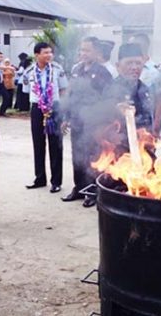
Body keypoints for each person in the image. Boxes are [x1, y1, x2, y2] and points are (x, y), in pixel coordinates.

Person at [61, 36, 114, 207]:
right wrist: (66, 117)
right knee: (77, 155)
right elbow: (71, 95)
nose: (83, 53)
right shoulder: (77, 69)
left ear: (96, 52)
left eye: (87, 50)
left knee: (92, 156)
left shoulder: (103, 72)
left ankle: (92, 191)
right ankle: (79, 187)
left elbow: (108, 99)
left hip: (94, 122)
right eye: (81, 50)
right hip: (77, 120)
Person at [23, 42, 67, 194]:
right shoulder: (29, 71)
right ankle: (39, 178)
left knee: (55, 144)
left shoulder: (57, 69)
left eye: (50, 52)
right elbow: (26, 90)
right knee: (38, 143)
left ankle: (56, 181)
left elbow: (63, 90)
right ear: (37, 55)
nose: (49, 55)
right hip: (37, 109)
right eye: (45, 53)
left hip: (54, 107)